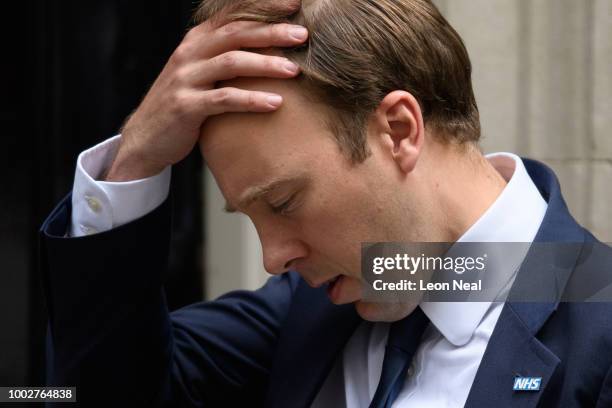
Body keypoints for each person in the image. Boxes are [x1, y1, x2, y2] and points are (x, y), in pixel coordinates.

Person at [40, 0, 612, 406]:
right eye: (252, 219)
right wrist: (135, 158)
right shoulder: (308, 312)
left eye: (283, 202)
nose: (273, 259)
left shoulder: (598, 322)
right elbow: (98, 390)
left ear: (398, 129)